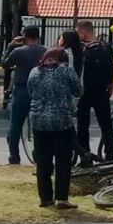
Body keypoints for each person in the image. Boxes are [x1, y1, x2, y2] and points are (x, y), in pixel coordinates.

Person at [27, 47, 82, 208]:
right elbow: (79, 91)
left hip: (38, 120)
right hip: (61, 121)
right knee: (63, 161)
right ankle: (61, 198)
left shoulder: (34, 71)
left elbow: (30, 91)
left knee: (42, 161)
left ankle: (45, 198)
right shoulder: (66, 70)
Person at [2, 26, 46, 164]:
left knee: (15, 126)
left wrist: (10, 46)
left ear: (24, 36)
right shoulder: (45, 51)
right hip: (39, 91)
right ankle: (39, 155)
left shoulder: (18, 52)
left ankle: (14, 157)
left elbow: (5, 64)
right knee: (39, 126)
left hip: (21, 90)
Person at [76, 20, 113, 161]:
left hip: (84, 91)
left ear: (84, 31)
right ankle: (110, 154)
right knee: (106, 124)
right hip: (102, 90)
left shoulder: (81, 48)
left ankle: (85, 155)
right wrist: (111, 86)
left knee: (82, 124)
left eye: (78, 32)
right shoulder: (106, 46)